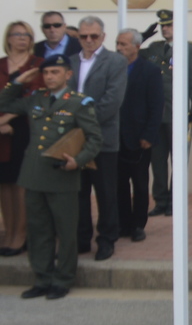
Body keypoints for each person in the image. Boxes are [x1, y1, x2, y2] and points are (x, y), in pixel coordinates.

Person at [0, 54, 101, 300]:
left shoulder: (79, 102)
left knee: (65, 231)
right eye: (46, 73)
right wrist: (19, 81)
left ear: (68, 75)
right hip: (33, 176)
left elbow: (95, 139)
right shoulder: (35, 99)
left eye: (55, 72)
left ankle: (63, 279)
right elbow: (3, 103)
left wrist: (76, 161)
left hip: (62, 176)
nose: (49, 77)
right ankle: (42, 278)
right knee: (37, 230)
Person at [71, 16, 127, 262]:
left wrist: (82, 124)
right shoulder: (71, 62)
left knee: (105, 192)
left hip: (102, 139)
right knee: (78, 192)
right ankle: (82, 238)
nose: (89, 40)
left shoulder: (115, 61)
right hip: (74, 141)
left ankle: (106, 239)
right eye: (84, 36)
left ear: (103, 37)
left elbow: (112, 101)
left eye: (94, 36)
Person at [142, 9, 192, 218]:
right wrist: (142, 37)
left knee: (178, 160)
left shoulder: (189, 49)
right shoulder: (153, 48)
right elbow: (129, 54)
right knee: (157, 161)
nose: (165, 29)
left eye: (169, 25)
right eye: (163, 25)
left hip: (178, 113)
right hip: (155, 114)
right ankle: (160, 201)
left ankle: (174, 202)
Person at [114, 29, 163, 244]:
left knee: (140, 185)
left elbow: (156, 104)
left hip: (139, 137)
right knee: (119, 184)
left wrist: (149, 134)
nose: (119, 48)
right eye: (118, 43)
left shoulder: (149, 70)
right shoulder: (113, 68)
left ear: (136, 46)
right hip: (115, 137)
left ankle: (137, 225)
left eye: (124, 44)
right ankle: (123, 224)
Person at [0, 20, 41, 257]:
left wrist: (3, 121)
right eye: (17, 34)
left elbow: (33, 96)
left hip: (24, 128)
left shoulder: (36, 64)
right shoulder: (1, 64)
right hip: (2, 134)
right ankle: (8, 232)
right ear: (8, 38)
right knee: (4, 184)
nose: (22, 38)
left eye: (26, 34)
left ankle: (21, 235)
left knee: (19, 184)